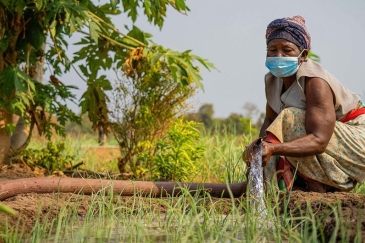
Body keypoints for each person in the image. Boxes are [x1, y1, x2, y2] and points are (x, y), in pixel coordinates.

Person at [244, 15, 365, 193]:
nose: (279, 56)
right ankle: (271, 190)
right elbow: (270, 121)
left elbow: (319, 140)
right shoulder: (272, 81)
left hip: (356, 141)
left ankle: (320, 188)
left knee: (291, 118)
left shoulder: (315, 81)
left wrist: (273, 148)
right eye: (272, 50)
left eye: (287, 50)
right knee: (272, 137)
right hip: (328, 141)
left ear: (303, 55)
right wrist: (260, 150)